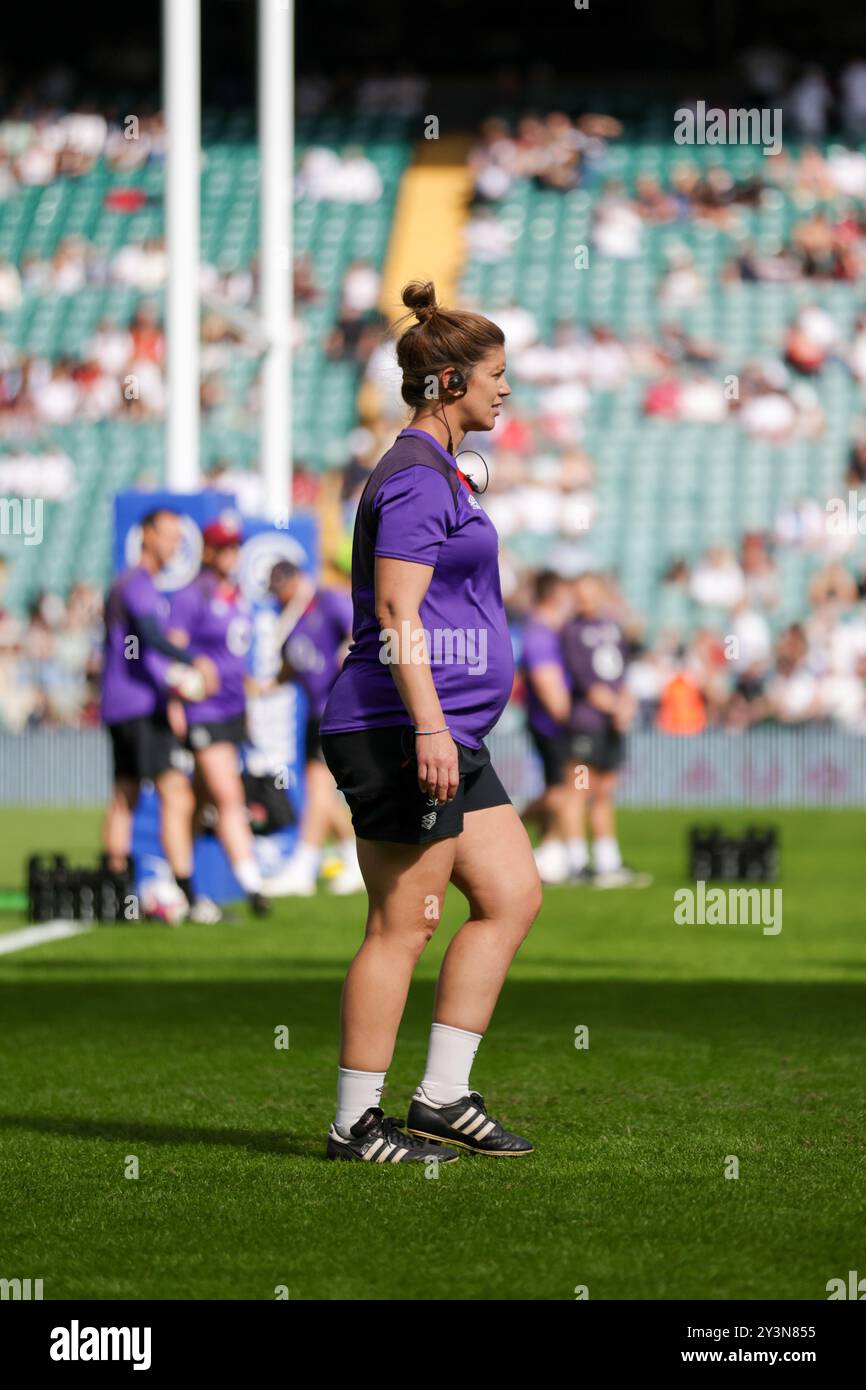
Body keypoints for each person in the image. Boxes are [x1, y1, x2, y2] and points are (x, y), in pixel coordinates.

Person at [319, 279, 542, 1164]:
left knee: (512, 896)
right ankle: (353, 1124)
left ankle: (442, 1097)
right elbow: (397, 615)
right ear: (449, 382)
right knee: (404, 923)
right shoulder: (415, 478)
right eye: (496, 375)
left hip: (447, 731)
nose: (507, 388)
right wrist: (430, 730)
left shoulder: (439, 469)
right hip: (400, 727)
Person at [100, 508, 219, 922]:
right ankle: (189, 895)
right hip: (138, 705)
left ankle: (114, 892)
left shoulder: (129, 584)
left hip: (121, 704)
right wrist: (195, 662)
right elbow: (151, 637)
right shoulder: (139, 584)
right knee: (176, 793)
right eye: (168, 535)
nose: (175, 545)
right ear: (147, 535)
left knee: (125, 794)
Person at [168, 513, 269, 920]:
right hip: (203, 711)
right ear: (208, 550)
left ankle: (183, 885)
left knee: (200, 800)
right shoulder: (192, 595)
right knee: (228, 795)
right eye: (224, 546)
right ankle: (253, 886)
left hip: (231, 708)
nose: (231, 553)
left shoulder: (236, 594)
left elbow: (235, 659)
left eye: (235, 546)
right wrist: (177, 703)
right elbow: (173, 653)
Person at [258, 561, 362, 897]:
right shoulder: (288, 620)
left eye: (281, 588)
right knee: (322, 795)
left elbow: (356, 633)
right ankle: (355, 858)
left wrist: (346, 653)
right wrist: (264, 686)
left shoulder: (326, 600)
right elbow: (290, 666)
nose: (277, 596)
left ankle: (304, 865)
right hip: (314, 714)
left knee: (319, 788)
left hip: (339, 707)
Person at [559, 572, 651, 888]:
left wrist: (625, 704)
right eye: (579, 592)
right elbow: (586, 680)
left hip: (611, 724)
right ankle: (576, 862)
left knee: (604, 792)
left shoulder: (612, 629)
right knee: (578, 791)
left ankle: (607, 861)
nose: (584, 598)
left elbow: (623, 674)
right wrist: (616, 708)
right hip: (587, 722)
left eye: (589, 592)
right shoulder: (571, 631)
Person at [520, 570, 575, 885]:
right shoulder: (538, 632)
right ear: (554, 595)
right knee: (559, 792)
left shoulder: (552, 630)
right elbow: (547, 684)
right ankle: (508, 824)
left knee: (565, 789)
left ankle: (551, 851)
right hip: (550, 724)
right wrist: (568, 716)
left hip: (556, 723)